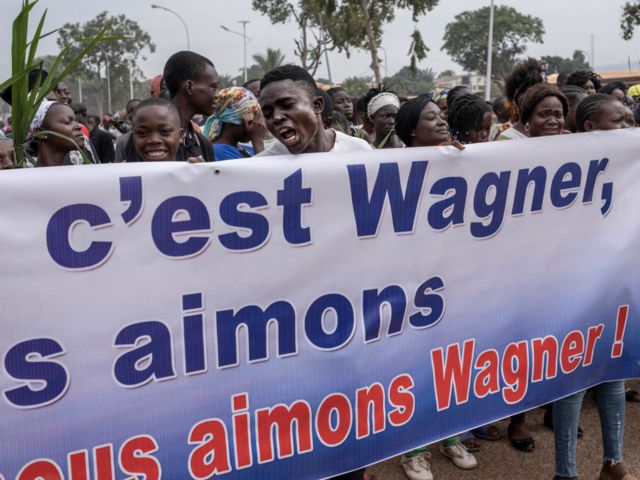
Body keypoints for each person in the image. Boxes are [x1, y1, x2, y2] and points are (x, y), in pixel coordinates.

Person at [551, 94, 635, 480]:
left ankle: (613, 461)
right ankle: (566, 472)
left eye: (630, 119)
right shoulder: (561, 168)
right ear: (589, 128)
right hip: (573, 290)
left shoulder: (633, 168)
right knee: (573, 383)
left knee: (614, 375)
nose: (628, 127)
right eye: (618, 121)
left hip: (616, 286)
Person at [394, 94, 477, 480]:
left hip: (450, 279)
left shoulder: (454, 159)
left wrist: (464, 160)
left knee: (450, 364)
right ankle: (413, 450)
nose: (442, 121)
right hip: (409, 285)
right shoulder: (390, 167)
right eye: (432, 118)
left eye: (442, 116)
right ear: (412, 130)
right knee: (413, 367)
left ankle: (450, 437)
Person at [257, 65, 372, 156]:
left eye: (287, 105)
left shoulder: (358, 151)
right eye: (267, 113)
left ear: (317, 105)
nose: (276, 117)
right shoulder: (262, 166)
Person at [163, 50, 219, 162]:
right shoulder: (146, 141)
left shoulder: (203, 145)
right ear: (189, 87)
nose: (217, 95)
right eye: (213, 87)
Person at [201, 86, 267, 160]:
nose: (256, 127)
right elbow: (263, 171)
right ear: (236, 121)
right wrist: (258, 141)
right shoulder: (219, 152)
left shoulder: (241, 148)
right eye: (252, 122)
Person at [24, 100, 85, 167]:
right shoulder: (29, 176)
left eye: (76, 121)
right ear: (40, 133)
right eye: (67, 122)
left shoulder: (78, 174)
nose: (78, 126)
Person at [497, 58, 544, 141]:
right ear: (515, 98)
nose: (532, 98)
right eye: (526, 93)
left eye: (537, 93)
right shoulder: (506, 139)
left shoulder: (552, 132)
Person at [130, 97, 182, 162]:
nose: (154, 140)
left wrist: (197, 168)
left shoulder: (194, 170)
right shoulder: (122, 171)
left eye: (165, 131)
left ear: (180, 136)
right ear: (133, 137)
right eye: (142, 133)